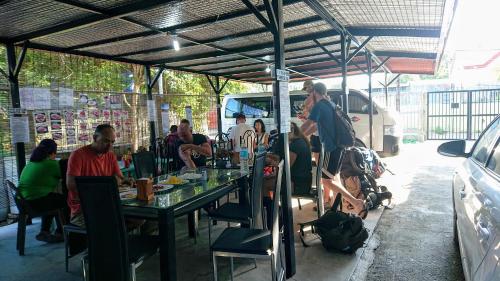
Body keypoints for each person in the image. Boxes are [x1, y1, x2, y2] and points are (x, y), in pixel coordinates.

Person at [300, 82, 365, 216]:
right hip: (340, 147)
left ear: (314, 92)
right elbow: (316, 127)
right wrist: (302, 136)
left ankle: (356, 202)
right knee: (334, 179)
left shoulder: (319, 106)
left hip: (332, 149)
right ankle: (337, 209)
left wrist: (293, 136)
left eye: (309, 93)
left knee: (326, 181)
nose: (308, 96)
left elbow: (308, 124)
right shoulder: (330, 104)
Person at [66, 124, 133, 228]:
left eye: (112, 142)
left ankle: (122, 243)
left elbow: (119, 178)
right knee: (114, 226)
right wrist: (105, 184)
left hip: (109, 204)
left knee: (143, 218)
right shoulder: (78, 155)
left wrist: (126, 180)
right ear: (94, 138)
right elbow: (71, 185)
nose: (110, 146)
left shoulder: (110, 155)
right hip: (84, 210)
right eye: (106, 141)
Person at [18, 139, 66, 243]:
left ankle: (44, 232)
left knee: (52, 198)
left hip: (22, 202)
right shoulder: (50, 164)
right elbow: (68, 175)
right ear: (53, 153)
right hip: (34, 203)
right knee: (65, 200)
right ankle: (61, 233)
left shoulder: (31, 163)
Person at [289, 122, 312, 196]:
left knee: (265, 183)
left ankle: (271, 207)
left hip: (298, 184)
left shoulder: (295, 145)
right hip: (304, 182)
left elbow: (287, 167)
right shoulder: (301, 141)